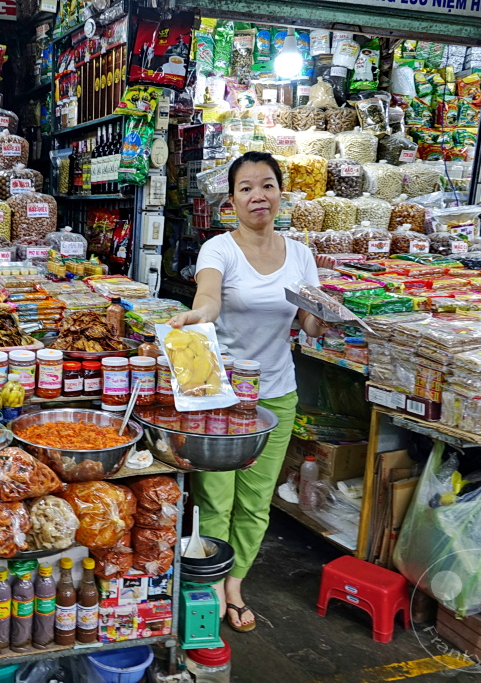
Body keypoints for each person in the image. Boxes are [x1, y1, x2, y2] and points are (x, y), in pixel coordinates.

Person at [168, 151, 327, 633]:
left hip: (276, 392)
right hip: (220, 393)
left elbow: (310, 323)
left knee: (257, 500)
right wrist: (200, 315)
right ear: (231, 200)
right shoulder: (219, 249)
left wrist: (328, 318)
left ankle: (236, 582)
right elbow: (210, 296)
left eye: (267, 185)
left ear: (281, 193)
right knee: (216, 496)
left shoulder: (300, 254)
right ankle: (211, 581)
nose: (258, 195)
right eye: (245, 188)